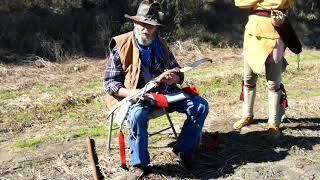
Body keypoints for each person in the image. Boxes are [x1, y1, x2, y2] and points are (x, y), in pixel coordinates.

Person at [104, 0, 209, 179]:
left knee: (200, 105)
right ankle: (139, 164)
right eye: (143, 24)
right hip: (136, 98)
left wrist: (176, 77)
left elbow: (178, 69)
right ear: (135, 23)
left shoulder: (160, 44)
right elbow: (110, 84)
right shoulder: (121, 45)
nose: (146, 29)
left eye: (151, 26)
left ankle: (183, 149)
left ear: (156, 28)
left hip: (165, 94)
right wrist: (134, 93)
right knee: (137, 115)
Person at [233, 0, 296, 138]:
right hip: (252, 34)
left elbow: (281, 2)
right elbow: (240, 2)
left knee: (274, 83)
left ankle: (273, 122)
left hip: (275, 32)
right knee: (248, 78)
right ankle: (247, 115)